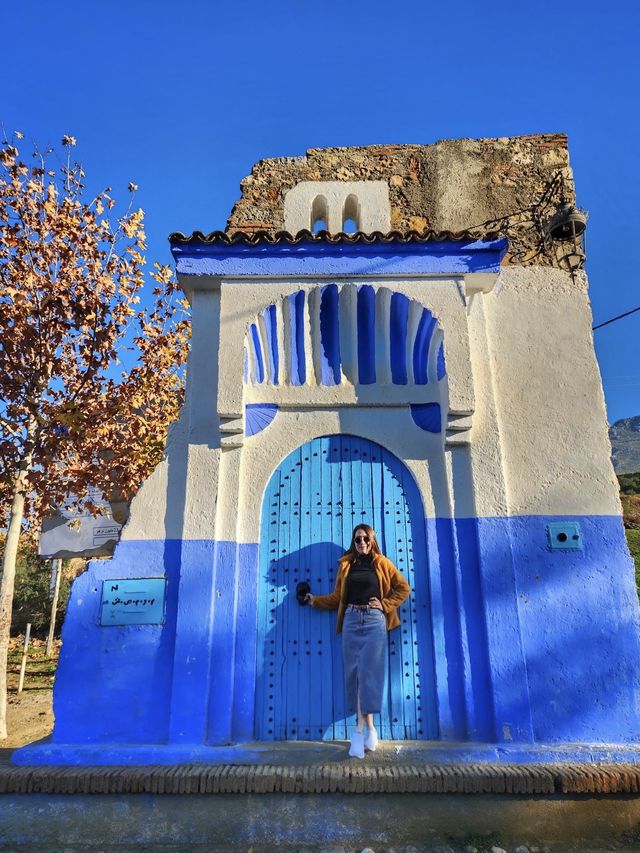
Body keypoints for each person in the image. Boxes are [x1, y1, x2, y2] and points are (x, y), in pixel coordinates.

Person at [305, 524, 411, 758]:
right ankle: (371, 730)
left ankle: (358, 732)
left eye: (365, 539)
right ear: (353, 543)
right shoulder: (346, 565)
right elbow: (337, 598)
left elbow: (403, 588)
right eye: (357, 540)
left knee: (368, 675)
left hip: (374, 620)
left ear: (372, 540)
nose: (361, 543)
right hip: (351, 619)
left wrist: (384, 605)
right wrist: (316, 601)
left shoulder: (382, 563)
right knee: (356, 675)